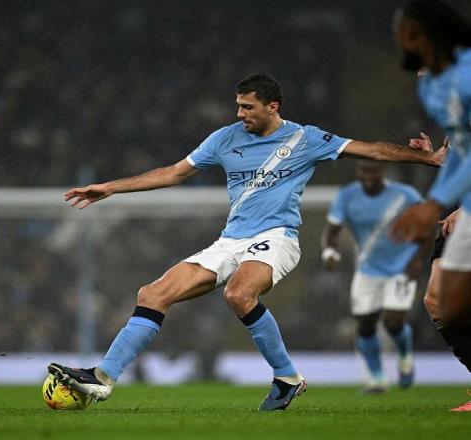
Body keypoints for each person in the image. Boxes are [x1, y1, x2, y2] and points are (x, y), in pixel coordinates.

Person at [48, 73, 445, 411]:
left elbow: (369, 149)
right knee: (152, 293)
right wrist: (111, 188)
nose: (240, 114)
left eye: (248, 107)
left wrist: (426, 159)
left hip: (277, 237)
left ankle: (286, 376)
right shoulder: (224, 139)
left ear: (273, 107)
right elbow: (174, 173)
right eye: (238, 106)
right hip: (230, 240)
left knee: (239, 294)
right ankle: (102, 378)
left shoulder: (305, 138)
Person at [392, 0, 471, 411]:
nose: (402, 41)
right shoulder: (431, 87)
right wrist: (439, 160)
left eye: (409, 33)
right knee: (439, 301)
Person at [322, 160, 425, 393]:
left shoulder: (405, 195)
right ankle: (377, 378)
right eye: (364, 170)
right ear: (357, 171)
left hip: (401, 267)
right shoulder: (347, 196)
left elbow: (426, 226)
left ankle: (405, 356)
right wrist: (330, 252)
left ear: (383, 171)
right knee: (365, 325)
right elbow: (332, 230)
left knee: (392, 322)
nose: (368, 175)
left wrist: (418, 259)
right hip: (367, 269)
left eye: (373, 171)